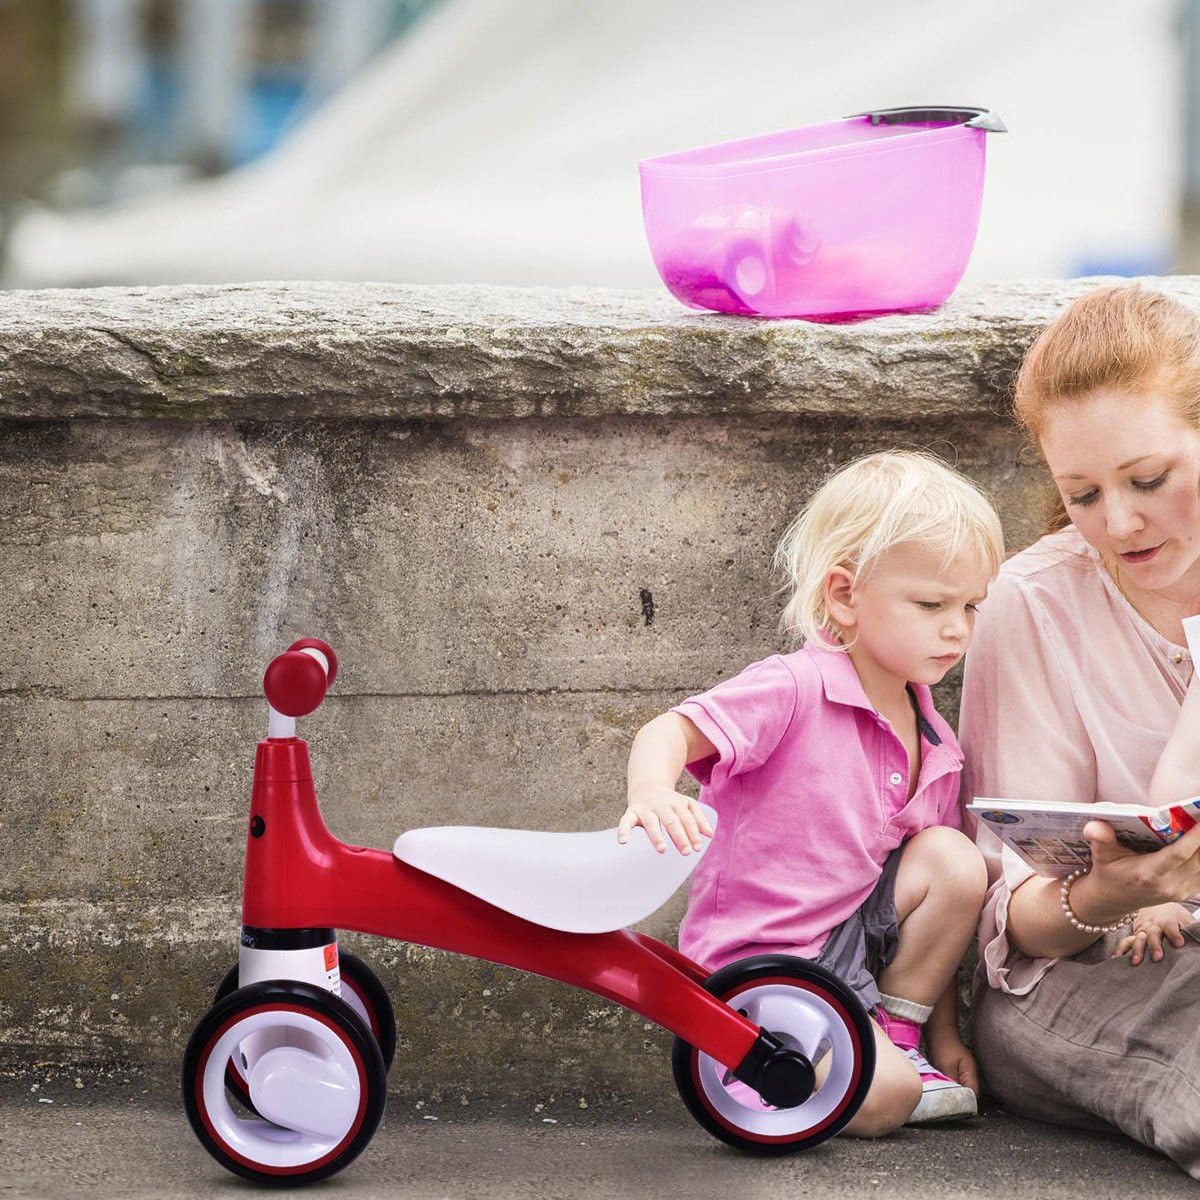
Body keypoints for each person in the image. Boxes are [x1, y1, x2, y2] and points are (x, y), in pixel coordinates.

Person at [617, 450, 1003, 1133]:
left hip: (855, 953)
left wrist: (945, 1033)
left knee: (954, 856)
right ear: (845, 595)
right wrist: (652, 792)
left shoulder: (936, 739)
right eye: (931, 604)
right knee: (884, 1102)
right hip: (761, 966)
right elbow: (669, 731)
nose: (958, 628)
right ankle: (772, 1064)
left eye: (970, 605)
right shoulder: (792, 687)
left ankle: (900, 1041)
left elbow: (937, 911)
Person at [960, 282, 1200, 1179]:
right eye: (1083, 494)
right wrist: (1106, 894)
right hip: (1099, 967)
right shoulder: (1034, 603)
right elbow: (1015, 923)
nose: (1119, 523)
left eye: (1149, 480)